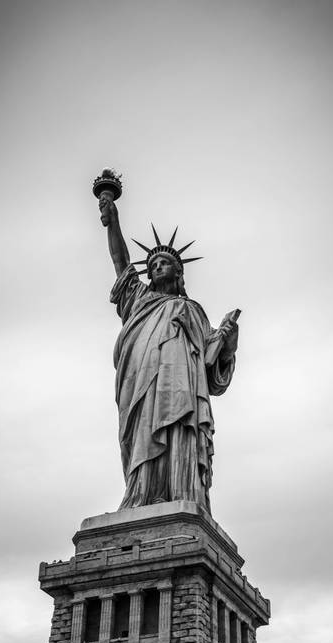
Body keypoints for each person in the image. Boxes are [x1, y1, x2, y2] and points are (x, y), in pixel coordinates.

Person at [98, 192, 239, 511]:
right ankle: (142, 495)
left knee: (179, 433)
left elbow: (213, 368)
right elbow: (121, 264)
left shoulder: (193, 311)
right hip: (141, 386)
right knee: (143, 437)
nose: (157, 267)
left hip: (182, 390)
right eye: (153, 264)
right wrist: (113, 221)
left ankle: (181, 493)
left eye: (165, 263)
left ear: (179, 272)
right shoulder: (139, 301)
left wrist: (229, 342)